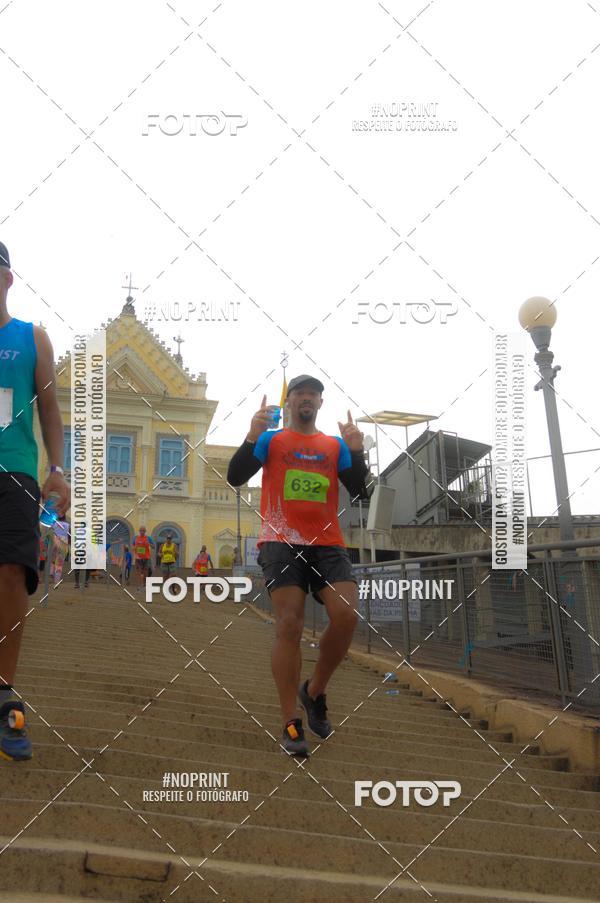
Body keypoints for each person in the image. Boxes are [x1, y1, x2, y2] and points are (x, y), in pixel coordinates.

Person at [227, 375, 370, 757]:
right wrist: (250, 435)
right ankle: (291, 722)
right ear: (288, 402)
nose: (306, 400)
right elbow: (235, 477)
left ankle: (315, 690)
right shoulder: (271, 440)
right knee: (289, 624)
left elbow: (362, 491)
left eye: (314, 395)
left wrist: (356, 453)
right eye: (300, 394)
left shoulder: (333, 445)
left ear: (321, 404)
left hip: (328, 544)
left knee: (347, 616)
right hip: (280, 541)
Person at [0, 241, 69, 761]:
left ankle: (3, 692)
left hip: (14, 471)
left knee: (10, 574)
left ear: (7, 279)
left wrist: (57, 470)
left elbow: (49, 406)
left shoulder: (30, 337)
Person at [133, 526, 152, 593]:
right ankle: (139, 586)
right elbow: (133, 546)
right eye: (141, 530)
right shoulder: (135, 538)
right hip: (138, 558)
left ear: (145, 531)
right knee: (138, 572)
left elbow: (154, 546)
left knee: (145, 573)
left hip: (146, 558)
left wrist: (149, 544)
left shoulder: (148, 538)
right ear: (139, 531)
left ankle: (144, 586)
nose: (142, 532)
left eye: (143, 531)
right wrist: (134, 551)